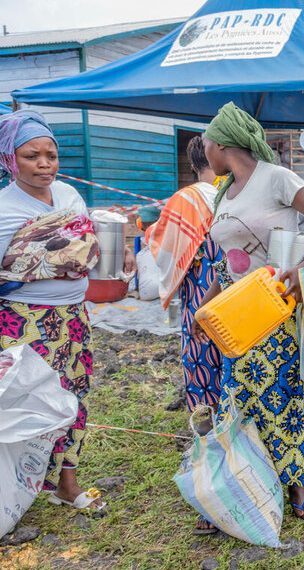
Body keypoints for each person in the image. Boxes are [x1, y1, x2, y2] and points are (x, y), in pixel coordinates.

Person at [0, 110, 134, 512]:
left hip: (73, 316)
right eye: (31, 156)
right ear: (9, 159)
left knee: (73, 395)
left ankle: (67, 482)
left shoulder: (70, 196)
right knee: (25, 400)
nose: (44, 164)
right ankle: (17, 484)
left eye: (51, 155)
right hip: (23, 318)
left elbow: (88, 244)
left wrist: (119, 248)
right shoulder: (5, 208)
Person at [192, 102, 304, 522]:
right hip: (233, 309)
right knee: (238, 395)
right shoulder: (223, 192)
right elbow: (223, 259)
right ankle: (241, 482)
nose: (203, 149)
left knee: (282, 394)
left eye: (205, 142)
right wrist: (205, 308)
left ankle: (298, 486)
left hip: (273, 305)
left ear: (222, 143)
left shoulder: (277, 177)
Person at [144, 136, 224, 533]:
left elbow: (162, 249)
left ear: (195, 162)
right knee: (236, 384)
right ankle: (246, 466)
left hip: (200, 304)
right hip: (243, 304)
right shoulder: (240, 192)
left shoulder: (186, 200)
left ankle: (211, 478)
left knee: (203, 387)